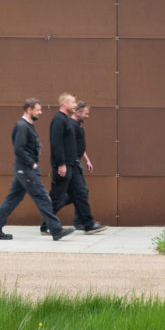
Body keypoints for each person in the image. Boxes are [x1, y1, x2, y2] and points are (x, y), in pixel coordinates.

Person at [0, 98, 74, 241]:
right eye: (38, 110)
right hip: (26, 170)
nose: (40, 113)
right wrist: (32, 164)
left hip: (22, 170)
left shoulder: (27, 125)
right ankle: (56, 230)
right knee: (43, 198)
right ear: (29, 109)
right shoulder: (22, 126)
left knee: (12, 199)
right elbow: (19, 149)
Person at [41, 95, 107, 234]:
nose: (75, 104)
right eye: (73, 102)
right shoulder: (59, 120)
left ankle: (88, 225)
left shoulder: (66, 120)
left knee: (81, 193)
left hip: (73, 165)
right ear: (65, 103)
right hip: (64, 166)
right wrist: (61, 164)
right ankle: (46, 225)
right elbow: (56, 143)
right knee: (57, 197)